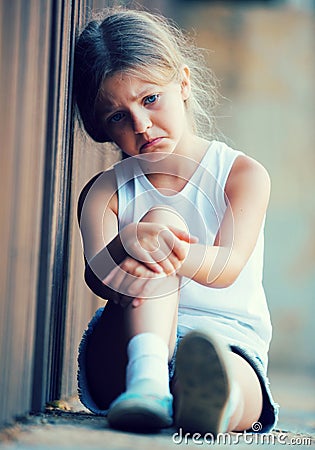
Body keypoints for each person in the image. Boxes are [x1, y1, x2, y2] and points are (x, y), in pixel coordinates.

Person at [73, 7, 279, 436]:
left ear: (182, 83)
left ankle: (209, 401)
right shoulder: (104, 192)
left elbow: (227, 267)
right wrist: (129, 241)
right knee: (158, 220)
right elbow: (98, 276)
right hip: (127, 348)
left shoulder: (241, 175)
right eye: (118, 116)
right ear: (102, 129)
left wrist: (169, 249)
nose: (142, 125)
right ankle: (148, 384)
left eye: (150, 99)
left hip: (226, 342)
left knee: (236, 386)